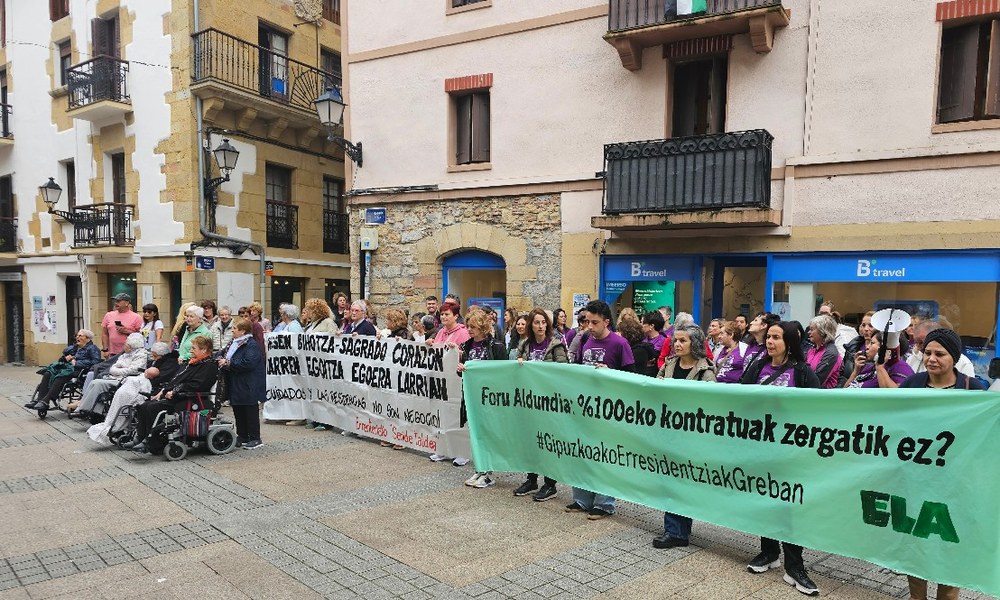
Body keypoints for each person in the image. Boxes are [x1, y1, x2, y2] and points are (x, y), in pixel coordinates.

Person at [898, 328, 983, 600]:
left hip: (956, 485)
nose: (932, 359)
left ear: (955, 357)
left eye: (940, 354)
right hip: (917, 481)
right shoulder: (913, 383)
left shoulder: (973, 388)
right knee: (917, 548)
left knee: (950, 548)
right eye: (928, 353)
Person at [740, 321, 821, 596]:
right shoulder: (756, 366)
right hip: (760, 447)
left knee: (788, 507)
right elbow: (741, 398)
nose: (770, 341)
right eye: (769, 336)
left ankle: (795, 566)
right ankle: (768, 552)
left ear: (789, 341)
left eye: (776, 337)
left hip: (789, 451)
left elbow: (816, 408)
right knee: (765, 499)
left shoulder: (803, 371)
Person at [566, 300, 633, 521]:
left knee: (605, 455)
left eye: (595, 322)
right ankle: (581, 498)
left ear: (606, 322)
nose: (590, 326)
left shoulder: (620, 344)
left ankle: (604, 503)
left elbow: (631, 379)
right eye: (587, 321)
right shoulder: (585, 338)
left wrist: (610, 373)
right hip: (584, 407)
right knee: (581, 452)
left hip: (607, 409)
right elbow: (575, 367)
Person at [653, 324, 717, 549]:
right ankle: (677, 529)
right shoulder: (669, 365)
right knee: (671, 481)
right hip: (668, 432)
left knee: (680, 481)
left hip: (691, 436)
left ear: (695, 344)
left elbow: (711, 404)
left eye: (683, 341)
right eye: (675, 340)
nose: (677, 344)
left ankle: (676, 531)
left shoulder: (705, 371)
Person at [124, 335, 219, 454]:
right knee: (144, 406)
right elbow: (176, 380)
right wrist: (164, 391)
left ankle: (151, 443)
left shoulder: (208, 366)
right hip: (180, 395)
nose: (191, 351)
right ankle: (140, 437)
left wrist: (174, 391)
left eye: (194, 348)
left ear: (204, 350)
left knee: (153, 408)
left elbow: (197, 385)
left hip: (192, 399)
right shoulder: (192, 363)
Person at [512, 308, 567, 501]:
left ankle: (550, 484)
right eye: (536, 322)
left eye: (543, 322)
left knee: (548, 442)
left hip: (549, 402)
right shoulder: (525, 344)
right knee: (530, 441)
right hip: (529, 401)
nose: (541, 326)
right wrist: (518, 363)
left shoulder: (556, 345)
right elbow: (516, 372)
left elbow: (563, 372)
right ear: (530, 325)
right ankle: (531, 478)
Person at [86, 342, 178, 446]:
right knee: (123, 394)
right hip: (141, 382)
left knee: (140, 404)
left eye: (155, 355)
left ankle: (141, 437)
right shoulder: (158, 361)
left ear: (161, 355)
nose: (153, 358)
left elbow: (160, 378)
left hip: (152, 386)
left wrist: (145, 378)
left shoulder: (169, 364)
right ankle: (122, 428)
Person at [456, 308, 508, 480]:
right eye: (468, 326)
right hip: (472, 398)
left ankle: (488, 471)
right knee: (476, 434)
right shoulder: (466, 346)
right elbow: (462, 372)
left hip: (489, 397)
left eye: (473, 327)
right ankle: (480, 468)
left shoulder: (497, 346)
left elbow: (504, 373)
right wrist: (460, 369)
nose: (469, 330)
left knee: (489, 434)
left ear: (482, 326)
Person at [427, 300, 470, 462]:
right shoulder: (440, 332)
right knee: (442, 414)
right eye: (442, 314)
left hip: (455, 380)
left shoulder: (462, 333)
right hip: (441, 381)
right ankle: (443, 448)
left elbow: (466, 354)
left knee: (457, 416)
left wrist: (457, 351)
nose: (444, 317)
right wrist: (430, 345)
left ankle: (462, 452)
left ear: (456, 316)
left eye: (447, 314)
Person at [69, 333, 148, 416]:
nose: (124, 345)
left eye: (126, 344)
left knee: (98, 384)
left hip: (125, 380)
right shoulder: (125, 355)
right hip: (116, 377)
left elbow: (132, 370)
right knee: (94, 382)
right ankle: (87, 408)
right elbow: (114, 367)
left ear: (131, 346)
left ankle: (84, 408)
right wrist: (118, 369)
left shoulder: (140, 355)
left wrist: (117, 370)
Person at [218, 319, 266, 449]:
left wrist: (229, 363)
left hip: (248, 383)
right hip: (236, 382)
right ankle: (242, 436)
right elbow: (223, 354)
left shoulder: (251, 344)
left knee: (249, 411)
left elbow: (249, 363)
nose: (233, 330)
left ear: (243, 331)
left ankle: (255, 438)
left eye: (235, 328)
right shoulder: (234, 342)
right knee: (238, 409)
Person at [27, 329, 102, 410]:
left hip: (80, 371)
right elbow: (61, 359)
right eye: (77, 335)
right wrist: (65, 359)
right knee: (48, 373)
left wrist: (76, 363)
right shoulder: (74, 348)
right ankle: (39, 400)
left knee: (61, 376)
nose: (77, 337)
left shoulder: (92, 348)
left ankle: (46, 401)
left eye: (80, 336)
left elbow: (95, 362)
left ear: (88, 338)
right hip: (68, 368)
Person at [906, 321, 977, 377]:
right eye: (916, 342)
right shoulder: (911, 360)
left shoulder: (963, 363)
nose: (918, 347)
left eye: (922, 342)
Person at [844, 331, 914, 388]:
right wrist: (856, 371)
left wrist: (880, 367)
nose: (867, 347)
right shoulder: (870, 367)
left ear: (884, 348)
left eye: (872, 343)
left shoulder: (900, 367)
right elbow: (845, 391)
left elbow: (894, 397)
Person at [100, 293, 143, 358]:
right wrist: (105, 349)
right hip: (112, 353)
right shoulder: (109, 315)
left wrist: (127, 331)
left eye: (118, 301)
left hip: (130, 353)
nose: (116, 303)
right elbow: (104, 334)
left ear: (126, 303)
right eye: (115, 301)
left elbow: (141, 335)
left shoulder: (136, 317)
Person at [805, 315, 843, 389]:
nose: (809, 332)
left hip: (824, 396)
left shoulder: (831, 353)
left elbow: (817, 381)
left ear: (823, 331)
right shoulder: (811, 350)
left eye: (812, 329)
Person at [839, 311, 875, 386]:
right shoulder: (852, 347)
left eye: (870, 326)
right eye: (863, 325)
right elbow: (843, 376)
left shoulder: (883, 351)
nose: (866, 329)